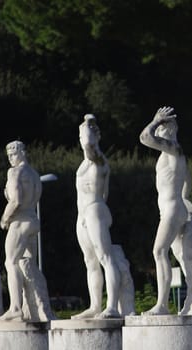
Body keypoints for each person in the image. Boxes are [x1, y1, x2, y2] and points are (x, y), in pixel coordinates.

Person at [140, 106, 192, 315]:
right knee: (182, 257)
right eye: (160, 128)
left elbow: (145, 137)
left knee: (158, 251)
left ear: (171, 130)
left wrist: (155, 120)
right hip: (173, 208)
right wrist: (184, 201)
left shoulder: (174, 148)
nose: (159, 132)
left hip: (172, 209)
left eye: (163, 128)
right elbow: (187, 181)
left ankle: (162, 305)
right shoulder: (171, 154)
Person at [72, 114, 121, 319]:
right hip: (82, 215)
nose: (84, 139)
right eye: (82, 134)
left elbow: (90, 149)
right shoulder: (83, 165)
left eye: (88, 134)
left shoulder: (99, 160)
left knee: (105, 257)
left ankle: (111, 306)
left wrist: (88, 125)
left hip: (95, 209)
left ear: (96, 136)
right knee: (90, 261)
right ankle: (95, 306)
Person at [0, 141, 53, 321]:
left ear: (22, 152)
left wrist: (5, 218)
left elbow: (16, 200)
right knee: (30, 266)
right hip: (33, 220)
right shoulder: (35, 174)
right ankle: (34, 309)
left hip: (20, 221)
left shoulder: (15, 172)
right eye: (8, 155)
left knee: (11, 262)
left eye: (12, 154)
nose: (10, 159)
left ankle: (15, 307)